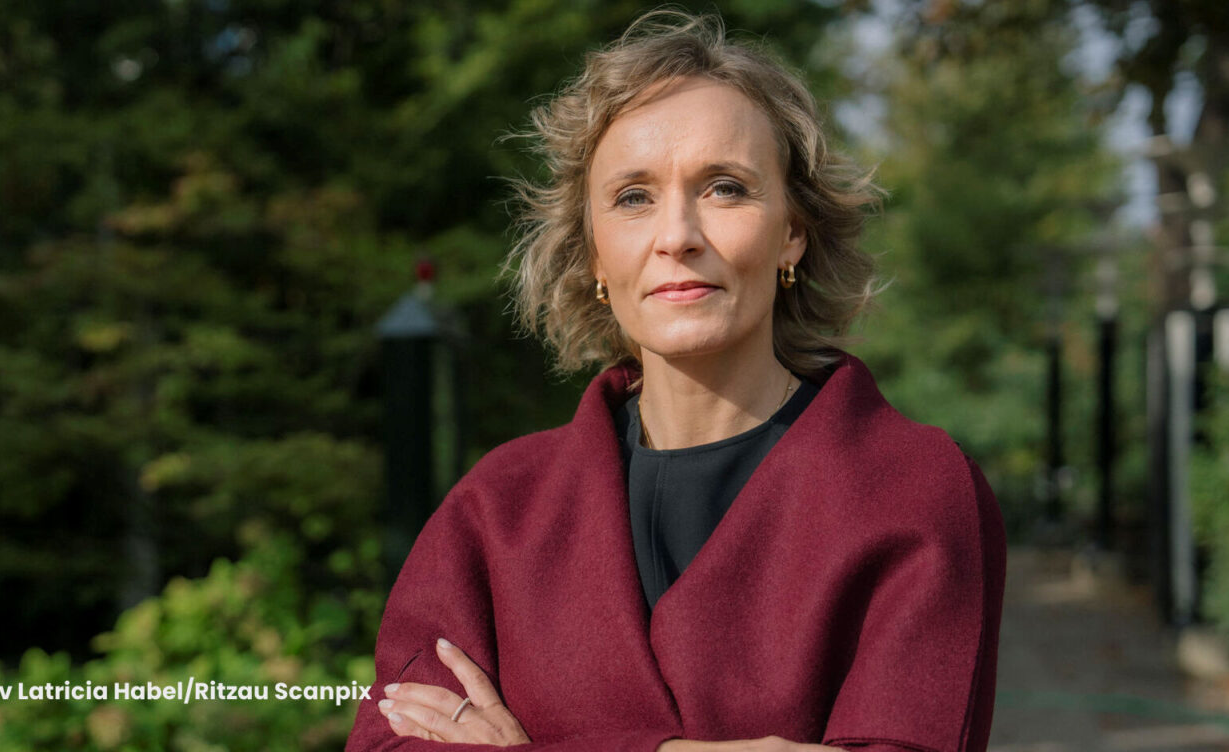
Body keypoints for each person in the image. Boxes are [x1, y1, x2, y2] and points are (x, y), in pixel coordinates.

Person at [345, 10, 1005, 752]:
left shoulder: (915, 488)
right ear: (595, 254)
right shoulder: (499, 508)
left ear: (793, 232)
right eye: (633, 197)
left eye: (725, 188)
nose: (677, 236)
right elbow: (387, 741)